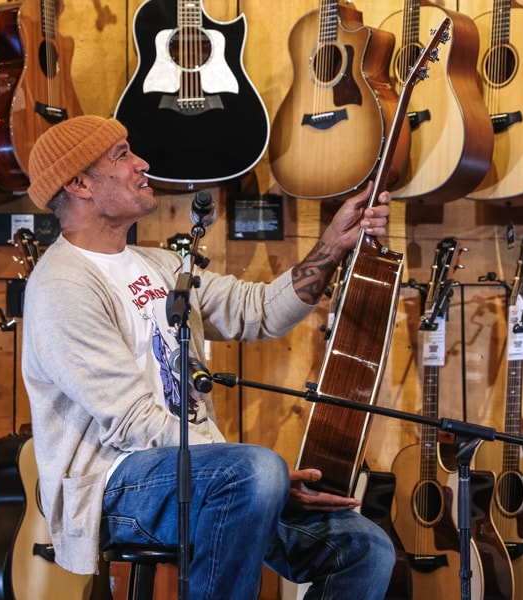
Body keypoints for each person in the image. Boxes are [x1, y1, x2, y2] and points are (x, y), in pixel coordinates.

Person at [21, 115, 396, 600]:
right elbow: (132, 417)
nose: (142, 163)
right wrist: (268, 480)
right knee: (257, 472)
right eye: (122, 155)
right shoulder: (62, 286)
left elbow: (258, 311)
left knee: (364, 546)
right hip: (115, 488)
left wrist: (333, 244)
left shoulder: (160, 265)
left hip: (208, 476)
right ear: (78, 184)